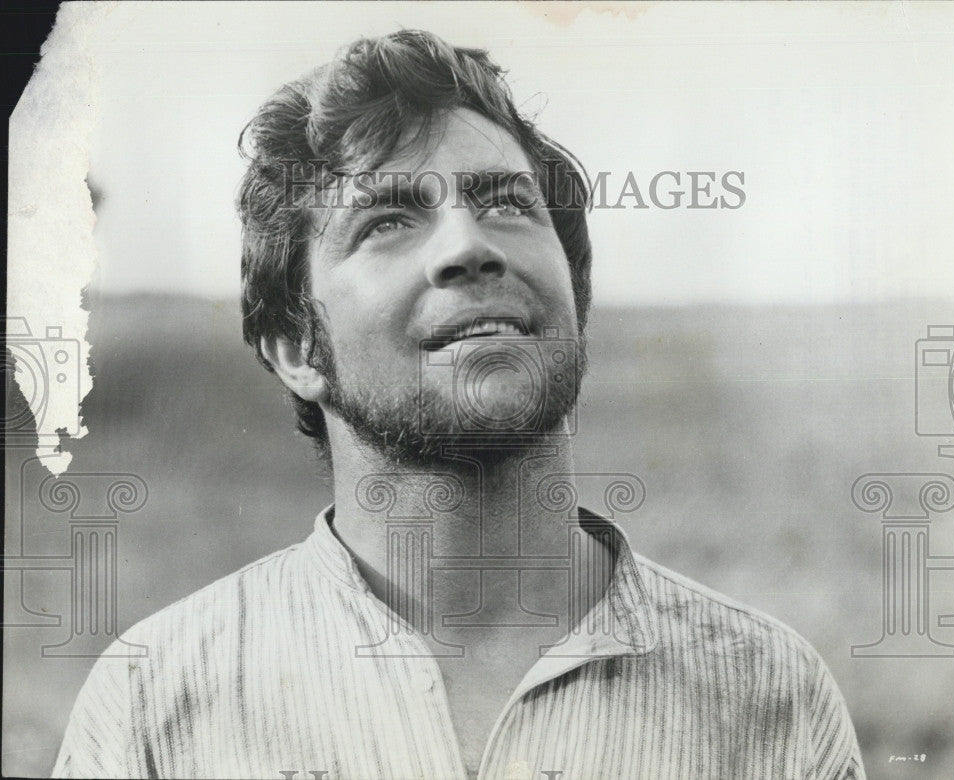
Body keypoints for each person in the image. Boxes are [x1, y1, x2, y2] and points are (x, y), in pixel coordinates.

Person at [53, 30, 865, 780]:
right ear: (299, 349)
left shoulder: (767, 692)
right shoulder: (156, 702)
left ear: (575, 294)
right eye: (387, 220)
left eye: (507, 203)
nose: (469, 246)